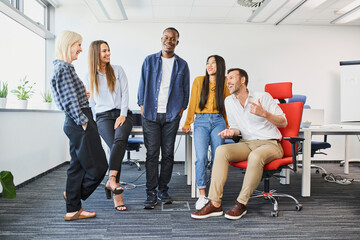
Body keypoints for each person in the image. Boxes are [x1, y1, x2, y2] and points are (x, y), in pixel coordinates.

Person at [191, 68, 287, 220]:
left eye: (231, 78)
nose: (227, 82)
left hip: (270, 144)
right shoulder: (229, 101)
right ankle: (215, 203)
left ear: (242, 80)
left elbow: (283, 122)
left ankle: (241, 203)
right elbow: (236, 127)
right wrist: (231, 132)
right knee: (222, 150)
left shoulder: (263, 97)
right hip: (247, 143)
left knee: (255, 156)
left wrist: (264, 113)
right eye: (227, 79)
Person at [50, 30, 108, 221]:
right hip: (80, 120)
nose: (81, 49)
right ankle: (73, 196)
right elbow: (68, 102)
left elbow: (69, 97)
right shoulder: (64, 69)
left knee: (78, 166)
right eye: (78, 45)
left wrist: (84, 95)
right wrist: (83, 122)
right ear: (68, 44)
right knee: (99, 166)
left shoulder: (64, 68)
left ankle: (73, 209)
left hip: (77, 120)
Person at [137, 27, 190, 209]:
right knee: (152, 155)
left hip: (171, 115)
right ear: (161, 39)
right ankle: (150, 192)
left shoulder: (182, 65)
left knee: (168, 155)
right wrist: (142, 105)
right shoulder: (149, 61)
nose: (169, 40)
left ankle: (163, 190)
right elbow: (142, 84)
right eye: (166, 37)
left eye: (173, 38)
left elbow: (186, 90)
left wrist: (181, 109)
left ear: (177, 42)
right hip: (151, 114)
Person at [85, 40, 133, 211]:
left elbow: (126, 93)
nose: (108, 53)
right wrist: (90, 123)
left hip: (122, 113)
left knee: (119, 141)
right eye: (104, 51)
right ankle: (115, 189)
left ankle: (112, 183)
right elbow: (90, 103)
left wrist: (122, 114)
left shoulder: (118, 70)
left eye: (108, 50)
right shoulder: (90, 76)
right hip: (103, 116)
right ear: (95, 54)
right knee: (115, 146)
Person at [182, 55, 230, 210]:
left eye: (213, 63)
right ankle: (202, 194)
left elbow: (229, 107)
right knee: (201, 157)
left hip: (218, 120)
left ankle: (214, 194)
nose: (209, 65)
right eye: (208, 63)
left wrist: (230, 127)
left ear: (220, 66)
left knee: (218, 157)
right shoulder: (198, 81)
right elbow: (192, 102)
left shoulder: (225, 83)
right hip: (201, 121)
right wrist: (188, 122)